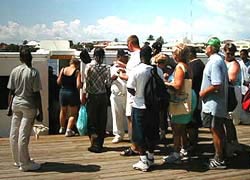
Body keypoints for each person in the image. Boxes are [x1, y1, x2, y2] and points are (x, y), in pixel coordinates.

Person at [7, 46, 43, 171]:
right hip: (28, 105)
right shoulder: (33, 72)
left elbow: (11, 91)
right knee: (24, 134)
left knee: (14, 133)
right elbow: (36, 94)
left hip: (16, 104)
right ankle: (25, 163)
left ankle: (17, 160)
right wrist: (41, 111)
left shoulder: (14, 71)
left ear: (20, 58)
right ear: (31, 57)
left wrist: (9, 107)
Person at [127, 45, 162, 172]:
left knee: (140, 134)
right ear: (151, 56)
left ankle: (143, 161)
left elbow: (130, 87)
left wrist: (138, 95)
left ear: (141, 56)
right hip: (153, 107)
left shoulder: (136, 70)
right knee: (152, 132)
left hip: (139, 105)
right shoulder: (157, 70)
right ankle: (151, 158)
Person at [199, 37, 228, 169]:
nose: (205, 48)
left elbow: (216, 84)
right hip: (214, 104)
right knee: (217, 130)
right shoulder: (217, 60)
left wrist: (203, 92)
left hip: (214, 104)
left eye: (207, 45)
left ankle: (219, 159)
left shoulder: (215, 62)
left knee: (216, 130)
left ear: (212, 48)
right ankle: (220, 155)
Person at [163, 43, 195, 164]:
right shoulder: (188, 66)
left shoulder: (179, 67)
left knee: (176, 128)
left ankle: (176, 153)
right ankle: (184, 149)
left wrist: (165, 83)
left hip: (181, 99)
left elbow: (177, 86)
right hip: (190, 96)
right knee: (182, 127)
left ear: (177, 55)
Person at [82, 47, 111, 153]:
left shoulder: (89, 66)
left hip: (92, 96)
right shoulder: (107, 67)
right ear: (103, 56)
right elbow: (108, 83)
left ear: (94, 55)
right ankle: (100, 144)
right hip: (103, 96)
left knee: (92, 121)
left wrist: (84, 96)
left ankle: (94, 143)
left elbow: (86, 83)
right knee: (102, 121)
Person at [119, 35, 141, 156]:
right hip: (138, 92)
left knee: (131, 118)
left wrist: (122, 75)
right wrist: (124, 67)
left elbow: (134, 77)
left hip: (133, 93)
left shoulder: (135, 57)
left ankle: (134, 146)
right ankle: (138, 145)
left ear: (130, 44)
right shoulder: (140, 56)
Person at [223, 43, 242, 156]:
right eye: (227, 52)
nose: (229, 55)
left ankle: (232, 144)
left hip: (232, 92)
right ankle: (230, 142)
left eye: (231, 53)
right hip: (225, 92)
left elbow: (231, 79)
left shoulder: (234, 64)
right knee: (225, 120)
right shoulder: (223, 62)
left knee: (229, 119)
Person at [57, 58, 81, 137]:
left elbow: (58, 81)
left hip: (63, 92)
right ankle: (68, 130)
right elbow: (78, 85)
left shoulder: (63, 69)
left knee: (63, 110)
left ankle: (62, 128)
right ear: (77, 64)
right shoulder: (77, 72)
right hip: (72, 92)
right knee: (73, 113)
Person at [187, 46, 205, 151]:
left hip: (193, 96)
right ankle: (193, 143)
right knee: (193, 121)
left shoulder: (194, 65)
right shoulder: (200, 64)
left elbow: (190, 80)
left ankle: (193, 144)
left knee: (192, 122)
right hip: (196, 96)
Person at [110, 49, 129, 143]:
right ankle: (118, 134)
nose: (126, 58)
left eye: (127, 56)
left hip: (128, 94)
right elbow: (110, 78)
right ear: (119, 57)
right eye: (124, 56)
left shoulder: (130, 67)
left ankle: (131, 134)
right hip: (116, 95)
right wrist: (118, 71)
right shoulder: (113, 67)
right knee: (117, 115)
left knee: (129, 116)